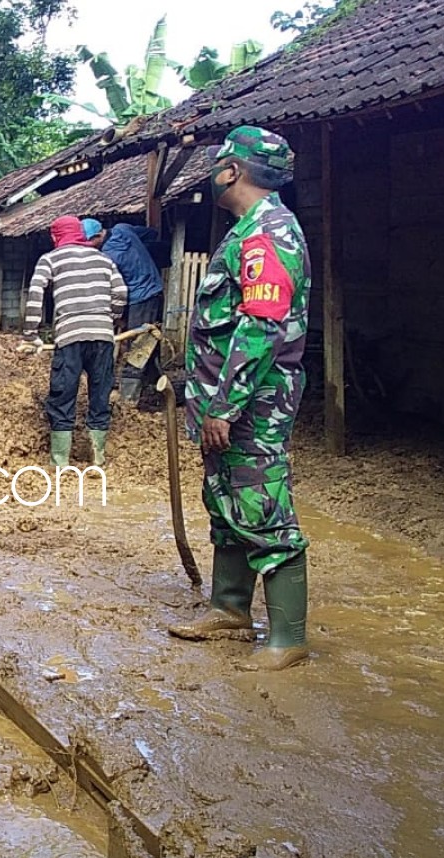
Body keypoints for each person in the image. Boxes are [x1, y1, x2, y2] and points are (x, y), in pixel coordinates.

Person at [167, 126, 312, 672]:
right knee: (226, 502)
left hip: (251, 404)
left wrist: (225, 405)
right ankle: (230, 609)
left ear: (233, 172)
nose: (213, 172)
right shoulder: (247, 230)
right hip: (225, 402)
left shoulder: (267, 235)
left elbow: (260, 328)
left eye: (218, 164)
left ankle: (287, 639)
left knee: (262, 505)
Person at [25, 216, 127, 467]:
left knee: (63, 394)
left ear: (55, 236)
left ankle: (60, 462)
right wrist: (109, 318)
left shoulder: (50, 258)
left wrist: (31, 335)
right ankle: (97, 457)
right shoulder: (103, 259)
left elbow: (36, 294)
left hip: (69, 336)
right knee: (100, 393)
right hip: (103, 336)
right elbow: (121, 293)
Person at [84, 218, 165, 407]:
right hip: (154, 289)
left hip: (140, 296)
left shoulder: (108, 256)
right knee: (149, 340)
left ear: (98, 235)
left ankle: (128, 398)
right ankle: (156, 386)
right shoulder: (123, 228)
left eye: (88, 242)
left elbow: (113, 289)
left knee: (138, 344)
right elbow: (151, 233)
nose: (86, 246)